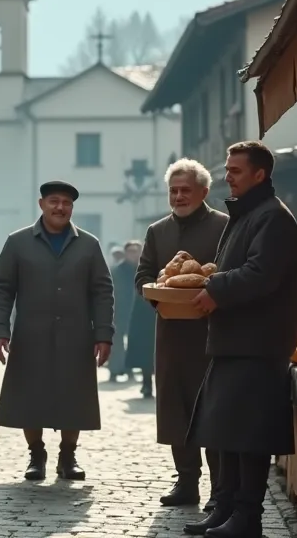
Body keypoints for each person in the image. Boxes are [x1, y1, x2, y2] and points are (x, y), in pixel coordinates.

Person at [184, 142, 297, 538]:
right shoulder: (248, 214)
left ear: (259, 174)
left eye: (235, 170)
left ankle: (247, 518)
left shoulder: (273, 218)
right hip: (234, 340)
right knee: (227, 432)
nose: (227, 175)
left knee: (249, 436)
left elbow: (261, 273)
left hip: (258, 343)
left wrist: (216, 287)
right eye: (228, 169)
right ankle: (226, 509)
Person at [0, 180, 114, 481]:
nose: (60, 207)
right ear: (42, 204)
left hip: (76, 335)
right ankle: (36, 455)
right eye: (54, 201)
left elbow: (102, 291)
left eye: (67, 203)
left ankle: (68, 456)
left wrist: (104, 334)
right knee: (29, 397)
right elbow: (2, 289)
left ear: (72, 208)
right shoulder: (17, 242)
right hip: (30, 335)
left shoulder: (88, 244)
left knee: (75, 396)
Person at [135, 158, 229, 512]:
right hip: (171, 333)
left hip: (213, 334)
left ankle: (221, 488)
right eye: (173, 191)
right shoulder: (157, 231)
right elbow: (143, 275)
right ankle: (186, 481)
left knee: (213, 409)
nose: (178, 196)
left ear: (204, 192)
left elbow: (233, 270)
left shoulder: (224, 226)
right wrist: (156, 297)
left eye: (185, 190)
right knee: (177, 410)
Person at [119, 239, 157, 398]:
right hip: (142, 314)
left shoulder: (154, 265)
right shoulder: (127, 269)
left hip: (158, 313)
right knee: (145, 353)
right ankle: (146, 385)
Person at [107, 247, 130, 384]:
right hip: (118, 311)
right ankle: (115, 370)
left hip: (133, 311)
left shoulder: (139, 270)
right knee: (116, 343)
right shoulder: (115, 271)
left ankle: (128, 367)